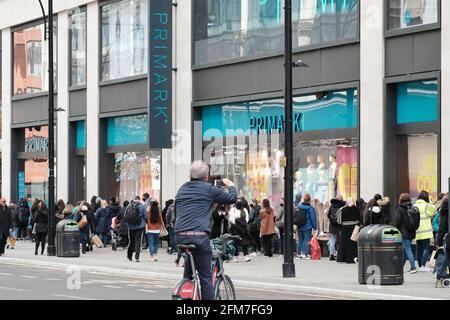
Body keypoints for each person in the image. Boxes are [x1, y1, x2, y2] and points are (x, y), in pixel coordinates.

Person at [174, 160, 237, 300]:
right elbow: (232, 198)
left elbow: (177, 212)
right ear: (206, 176)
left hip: (179, 236)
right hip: (199, 237)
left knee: (189, 268)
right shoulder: (209, 189)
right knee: (205, 277)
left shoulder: (182, 189)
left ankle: (186, 285)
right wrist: (231, 185)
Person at [395, 193, 418, 274]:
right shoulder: (412, 208)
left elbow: (398, 221)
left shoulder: (400, 209)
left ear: (401, 199)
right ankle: (400, 268)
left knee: (408, 249)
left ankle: (413, 267)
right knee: (405, 250)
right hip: (411, 232)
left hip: (404, 232)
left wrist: (396, 229)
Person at [414, 190, 435, 272]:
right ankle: (423, 266)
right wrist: (430, 202)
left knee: (419, 248)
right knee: (426, 248)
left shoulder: (414, 205)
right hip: (426, 230)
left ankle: (419, 265)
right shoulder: (427, 205)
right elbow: (433, 211)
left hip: (417, 230)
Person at [125, 196, 147, 262]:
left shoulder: (129, 206)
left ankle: (129, 256)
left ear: (134, 200)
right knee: (138, 241)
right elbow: (145, 216)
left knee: (131, 241)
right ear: (139, 200)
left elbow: (125, 216)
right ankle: (137, 257)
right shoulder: (142, 206)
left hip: (131, 226)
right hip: (140, 226)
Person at [336, 199, 359, 264]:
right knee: (353, 243)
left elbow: (339, 220)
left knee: (344, 243)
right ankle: (353, 258)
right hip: (354, 228)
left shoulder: (342, 209)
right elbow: (359, 219)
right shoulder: (356, 209)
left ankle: (343, 258)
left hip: (345, 228)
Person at [296, 194, 317, 260]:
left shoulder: (299, 207)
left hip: (300, 226)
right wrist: (315, 227)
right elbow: (313, 218)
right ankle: (307, 254)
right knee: (307, 240)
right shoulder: (310, 208)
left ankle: (299, 254)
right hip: (307, 226)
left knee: (300, 240)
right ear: (309, 200)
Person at [327, 196, 346, 261]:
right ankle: (338, 254)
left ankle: (331, 254)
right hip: (340, 226)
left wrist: (332, 219)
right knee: (339, 241)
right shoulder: (342, 206)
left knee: (332, 240)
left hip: (332, 226)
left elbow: (328, 215)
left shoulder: (332, 206)